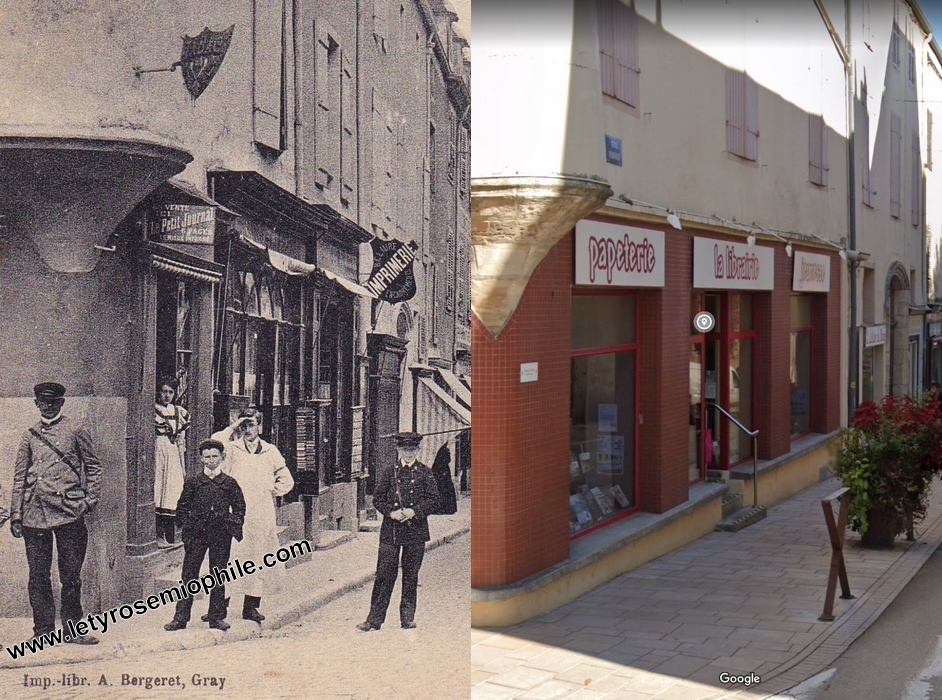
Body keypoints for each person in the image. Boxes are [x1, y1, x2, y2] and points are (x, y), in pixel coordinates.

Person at [10, 382, 102, 644]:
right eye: (43, 402)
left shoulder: (75, 429)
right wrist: (17, 515)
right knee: (38, 576)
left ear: (61, 403)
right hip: (34, 514)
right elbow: (20, 477)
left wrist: (89, 500)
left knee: (71, 576)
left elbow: (94, 466)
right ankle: (43, 632)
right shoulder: (29, 435)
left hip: (68, 512)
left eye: (53, 403)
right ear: (36, 403)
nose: (48, 407)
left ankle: (73, 629)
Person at [212, 408, 294, 623]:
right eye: (244, 425)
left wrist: (271, 491)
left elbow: (286, 479)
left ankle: (251, 607)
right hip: (235, 512)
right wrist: (233, 426)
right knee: (229, 558)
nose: (247, 429)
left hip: (261, 512)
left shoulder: (270, 451)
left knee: (257, 557)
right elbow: (214, 441)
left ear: (260, 426)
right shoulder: (232, 449)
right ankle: (220, 607)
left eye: (251, 425)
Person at [357, 432, 440, 632]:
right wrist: (391, 513)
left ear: (417, 450)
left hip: (415, 531)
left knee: (411, 576)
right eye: (405, 450)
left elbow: (434, 500)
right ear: (398, 450)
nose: (408, 453)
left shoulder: (425, 472)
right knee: (384, 574)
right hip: (391, 531)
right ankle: (374, 620)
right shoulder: (389, 472)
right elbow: (378, 499)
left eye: (412, 450)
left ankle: (407, 618)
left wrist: (414, 511)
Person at [164, 439, 245, 632]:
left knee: (218, 574)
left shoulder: (229, 483)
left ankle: (216, 617)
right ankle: (180, 618)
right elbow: (181, 507)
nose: (211, 460)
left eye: (215, 456)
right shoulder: (193, 482)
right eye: (207, 457)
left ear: (222, 458)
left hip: (220, 535)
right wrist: (188, 527)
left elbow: (240, 507)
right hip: (197, 535)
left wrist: (230, 523)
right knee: (188, 575)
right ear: (201, 459)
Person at [154, 377, 190, 548]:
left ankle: (171, 536)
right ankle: (158, 535)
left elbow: (181, 441)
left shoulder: (179, 412)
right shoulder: (154, 411)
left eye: (170, 392)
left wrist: (182, 465)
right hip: (158, 451)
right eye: (164, 391)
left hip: (172, 453)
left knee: (172, 491)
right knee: (159, 490)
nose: (167, 395)